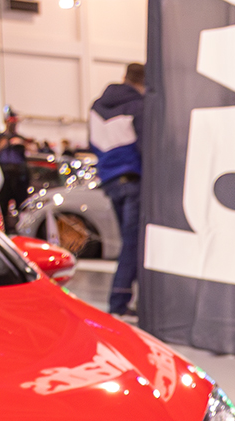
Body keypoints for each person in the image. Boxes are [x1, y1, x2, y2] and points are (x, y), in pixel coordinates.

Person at [90, 62, 146, 316]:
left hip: (110, 180)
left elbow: (92, 143)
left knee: (128, 242)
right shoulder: (139, 106)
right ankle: (119, 302)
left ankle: (122, 300)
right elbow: (146, 145)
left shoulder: (97, 107)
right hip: (133, 179)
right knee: (134, 245)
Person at [0, 110, 30, 226]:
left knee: (22, 205)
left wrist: (22, 143)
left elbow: (32, 150)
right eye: (10, 121)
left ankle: (22, 227)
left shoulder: (20, 138)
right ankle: (3, 229)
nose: (13, 124)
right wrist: (4, 143)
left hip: (19, 176)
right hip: (4, 174)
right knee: (2, 205)